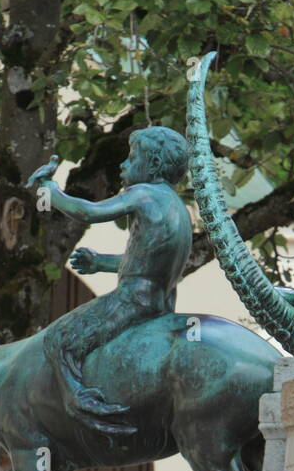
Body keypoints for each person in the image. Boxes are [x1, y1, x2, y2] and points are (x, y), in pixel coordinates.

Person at [27, 126, 192, 436]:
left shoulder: (143, 193)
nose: (122, 165)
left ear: (153, 166)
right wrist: (101, 262)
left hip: (133, 300)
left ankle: (81, 404)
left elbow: (88, 213)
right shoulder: (176, 207)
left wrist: (51, 192)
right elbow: (149, 263)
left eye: (131, 158)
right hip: (161, 302)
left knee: (57, 341)